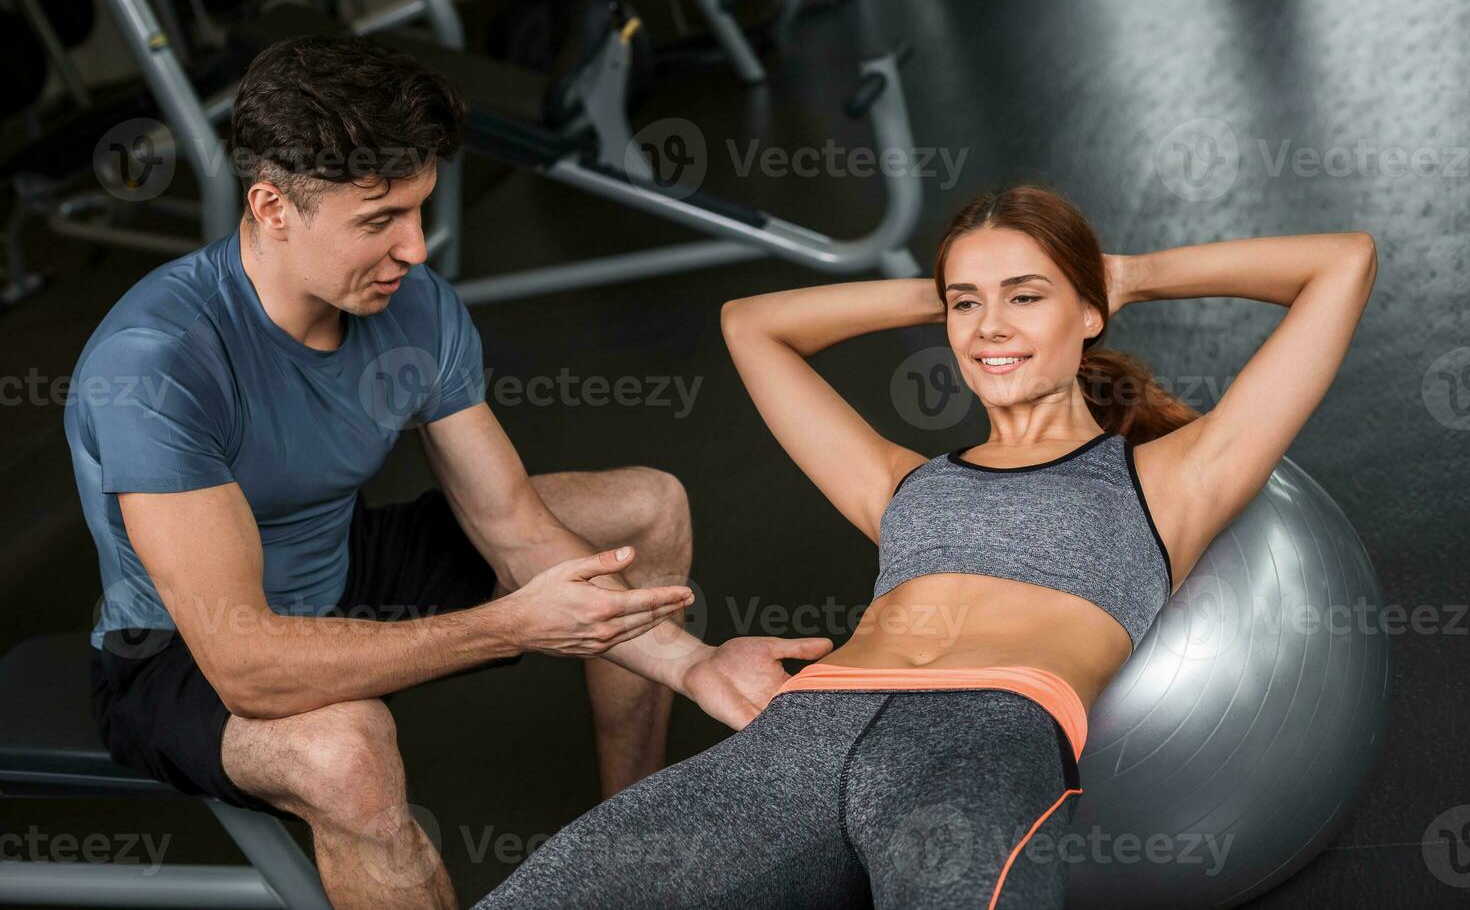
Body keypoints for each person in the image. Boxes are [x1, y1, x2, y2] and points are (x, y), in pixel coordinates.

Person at [66, 34, 829, 910]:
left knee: (643, 509)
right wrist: (511, 627)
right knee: (346, 751)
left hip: (341, 562)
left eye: (420, 210)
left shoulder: (412, 306)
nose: (416, 250)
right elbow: (246, 662)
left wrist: (693, 665)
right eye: (378, 220)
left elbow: (513, 528)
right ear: (273, 206)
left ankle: (634, 848)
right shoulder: (158, 363)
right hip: (180, 652)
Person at [470, 183, 1377, 908]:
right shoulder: (901, 483)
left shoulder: (1175, 479)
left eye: (1029, 298)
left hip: (979, 741)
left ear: (1090, 312)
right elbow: (753, 324)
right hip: (800, 738)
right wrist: (954, 286)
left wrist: (1124, 271)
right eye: (965, 307)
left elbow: (1343, 263)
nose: (991, 327)